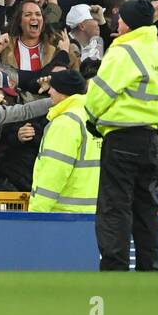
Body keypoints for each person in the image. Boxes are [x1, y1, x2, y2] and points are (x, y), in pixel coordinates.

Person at [84, 0, 158, 271]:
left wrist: (92, 119)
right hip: (151, 139)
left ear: (128, 22)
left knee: (115, 206)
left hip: (121, 137)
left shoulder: (123, 51)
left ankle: (116, 269)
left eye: (121, 18)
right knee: (146, 208)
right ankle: (149, 268)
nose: (117, 22)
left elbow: (100, 93)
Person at [28, 70, 101, 212]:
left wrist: (36, 213)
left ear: (63, 91)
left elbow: (54, 173)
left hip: (63, 215)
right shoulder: (93, 118)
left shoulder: (65, 123)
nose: (49, 92)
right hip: (94, 213)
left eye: (53, 88)